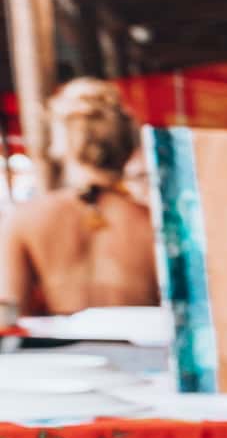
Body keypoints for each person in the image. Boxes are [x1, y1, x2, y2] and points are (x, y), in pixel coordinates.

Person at [0, 79, 158, 323]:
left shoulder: (24, 219)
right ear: (126, 143)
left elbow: (8, 315)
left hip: (66, 348)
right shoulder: (155, 220)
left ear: (60, 144)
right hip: (149, 346)